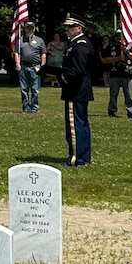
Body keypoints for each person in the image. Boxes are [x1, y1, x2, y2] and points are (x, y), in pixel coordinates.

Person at [58, 17, 94, 167]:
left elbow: (78, 70)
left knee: (75, 126)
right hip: (76, 90)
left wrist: (61, 77)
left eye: (70, 27)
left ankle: (77, 157)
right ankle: (83, 156)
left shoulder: (81, 45)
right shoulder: (75, 44)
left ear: (79, 28)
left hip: (76, 90)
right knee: (81, 124)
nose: (67, 30)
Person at [101, 29, 132, 118]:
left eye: (121, 36)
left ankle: (131, 112)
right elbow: (104, 60)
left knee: (128, 94)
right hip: (115, 73)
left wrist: (126, 52)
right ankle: (112, 110)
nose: (119, 38)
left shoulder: (130, 46)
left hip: (127, 73)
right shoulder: (110, 47)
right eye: (117, 36)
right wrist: (117, 59)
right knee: (113, 93)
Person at [15, 22, 46, 113]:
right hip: (23, 67)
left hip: (35, 67)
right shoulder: (20, 40)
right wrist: (17, 64)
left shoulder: (40, 40)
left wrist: (43, 65)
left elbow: (43, 53)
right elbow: (16, 53)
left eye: (31, 28)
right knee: (24, 89)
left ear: (34, 29)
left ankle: (34, 107)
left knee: (35, 89)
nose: (29, 30)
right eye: (28, 28)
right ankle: (25, 107)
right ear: (25, 29)